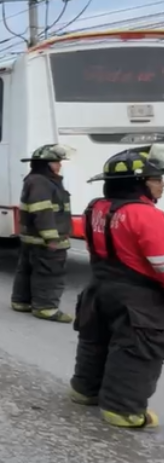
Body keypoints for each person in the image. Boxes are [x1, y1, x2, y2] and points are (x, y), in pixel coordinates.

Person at [69, 144, 164, 429]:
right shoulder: (147, 216)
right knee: (136, 351)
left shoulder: (94, 208)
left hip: (99, 288)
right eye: (157, 179)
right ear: (139, 183)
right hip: (138, 299)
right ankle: (123, 411)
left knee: (95, 341)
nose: (161, 185)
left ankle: (85, 391)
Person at [11, 144, 75, 322]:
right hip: (45, 239)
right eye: (56, 162)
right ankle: (46, 308)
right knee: (50, 274)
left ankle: (22, 301)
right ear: (46, 164)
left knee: (27, 269)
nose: (59, 165)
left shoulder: (36, 180)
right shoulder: (41, 182)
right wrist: (51, 237)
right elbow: (42, 211)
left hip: (32, 238)